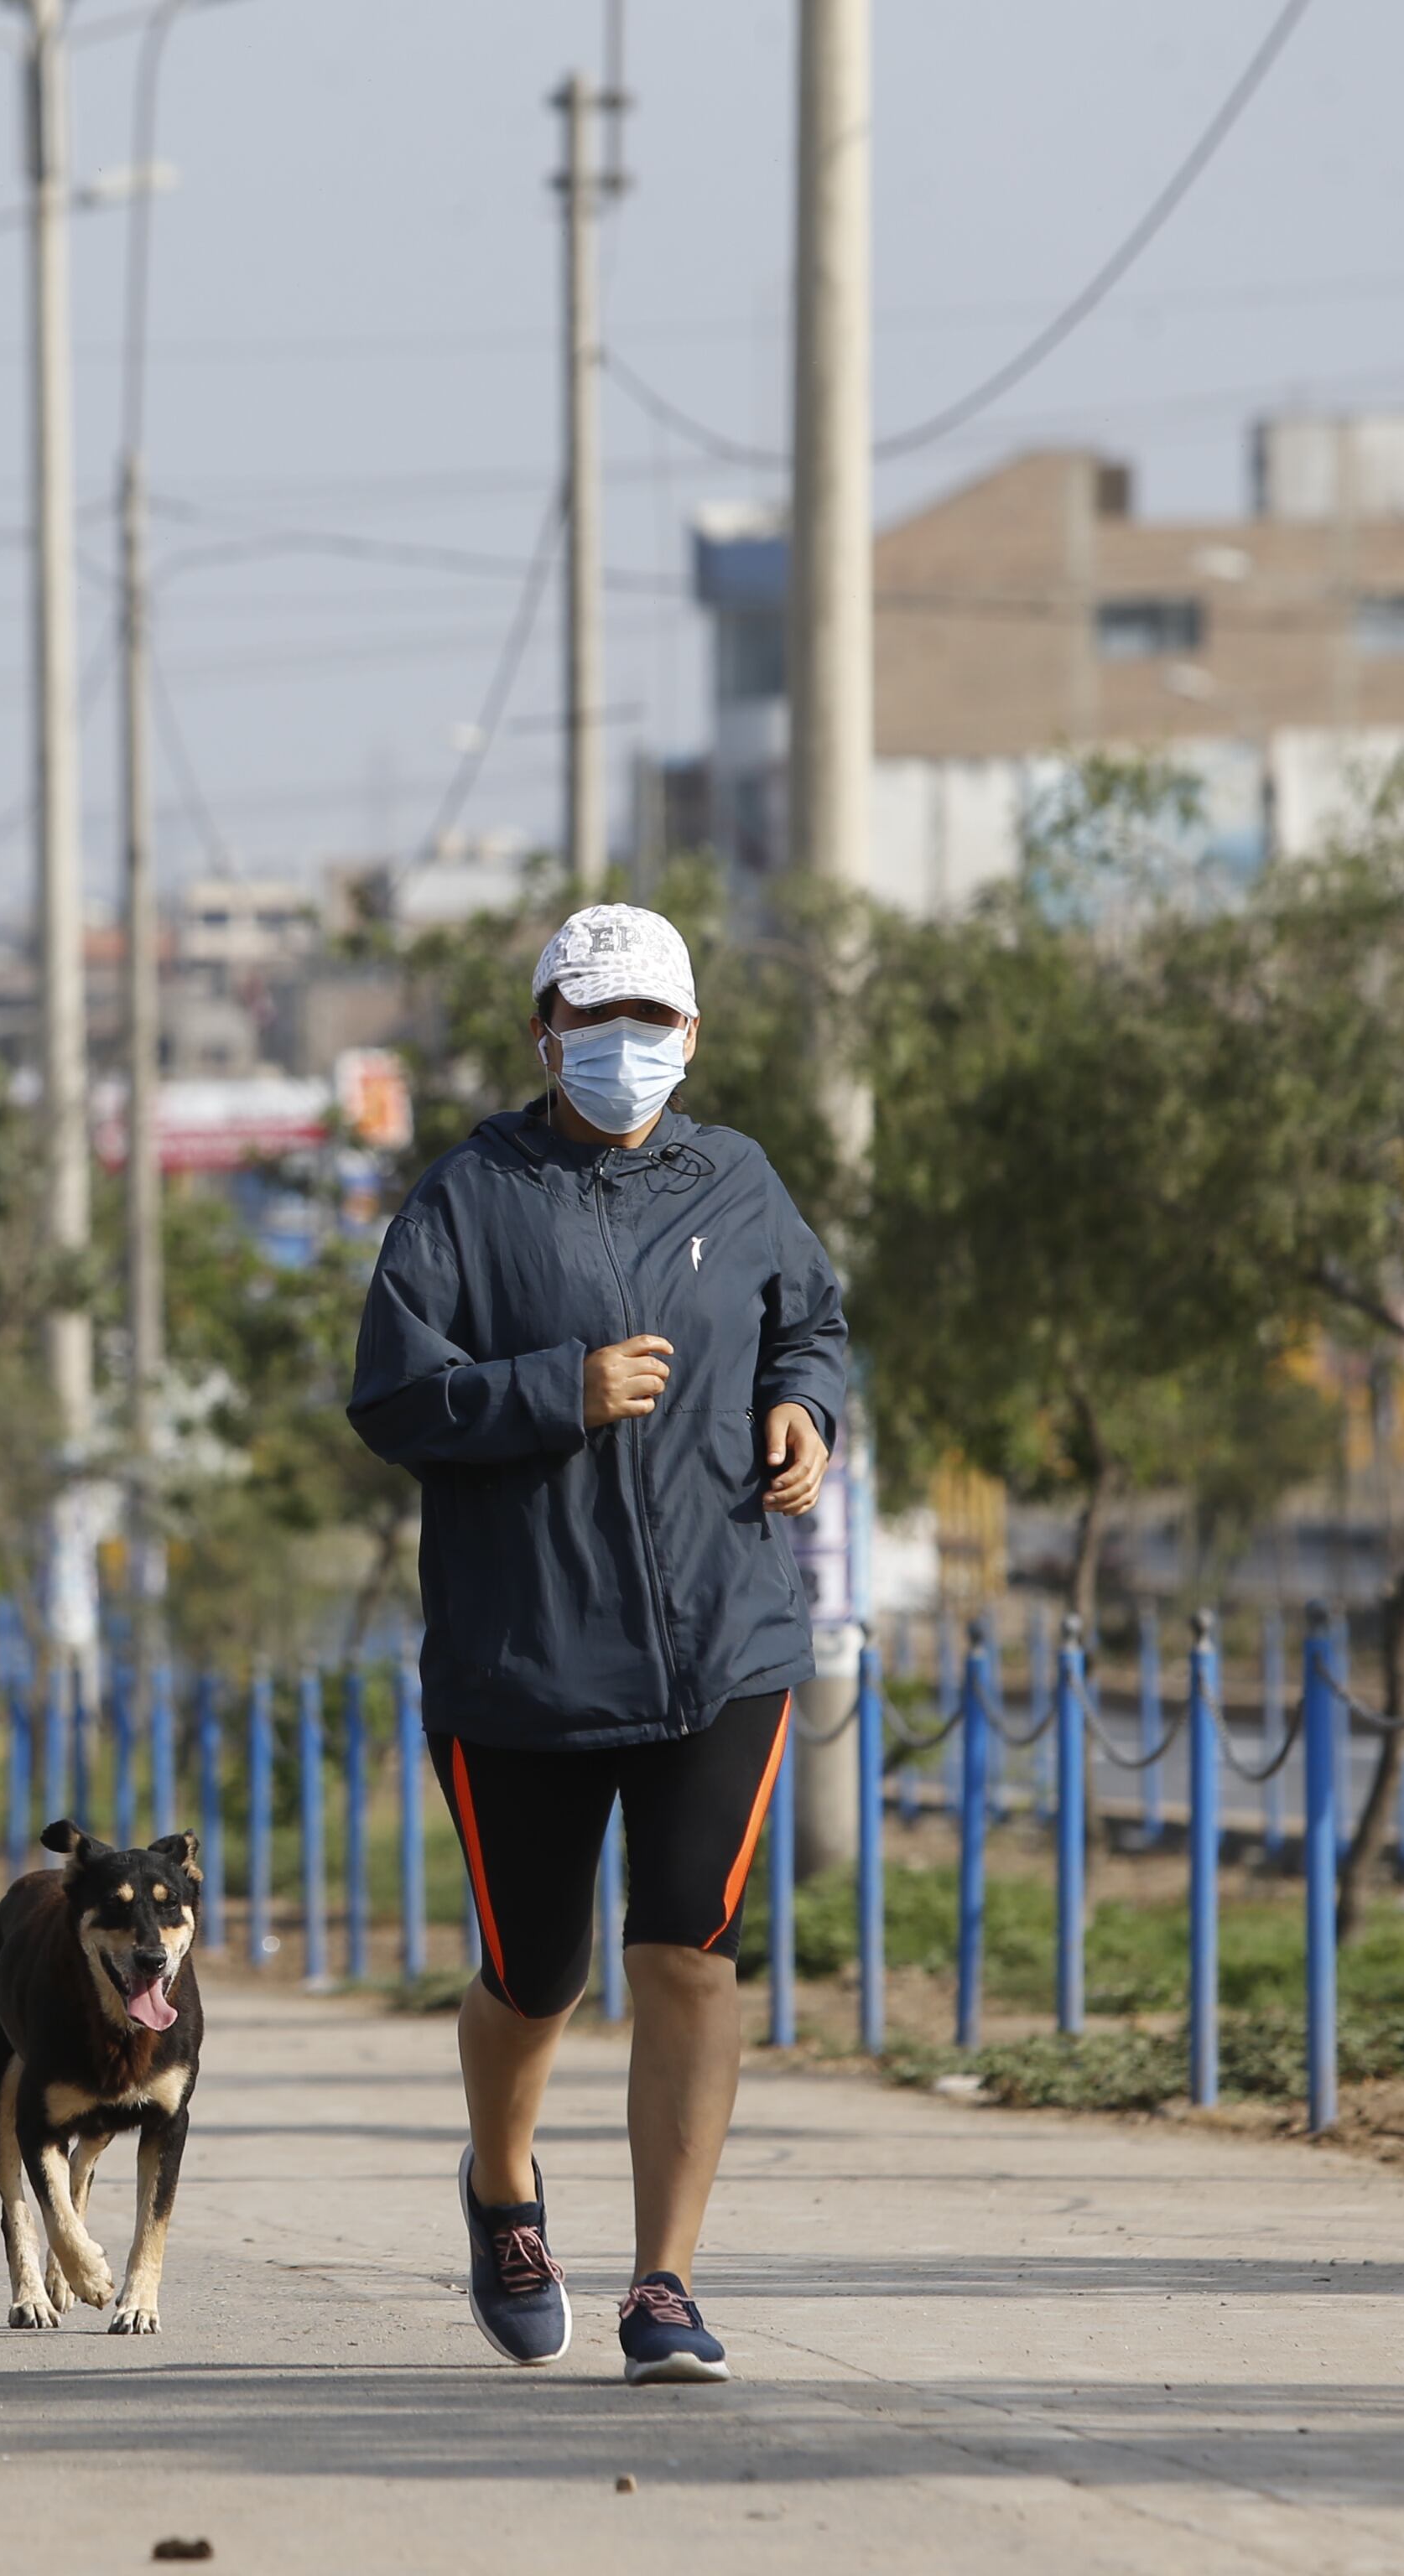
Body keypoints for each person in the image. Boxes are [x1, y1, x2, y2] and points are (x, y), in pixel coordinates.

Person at [346, 902, 845, 2386]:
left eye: (655, 1023)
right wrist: (554, 1389)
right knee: (540, 1968)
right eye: (595, 1016)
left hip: (724, 1641)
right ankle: (503, 2186)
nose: (626, 1047)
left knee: (688, 1949)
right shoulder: (466, 1198)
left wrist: (808, 1409)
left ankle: (665, 2284)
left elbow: (811, 1323)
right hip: (525, 1659)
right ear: (544, 1029)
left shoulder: (740, 1179)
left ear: (691, 1036)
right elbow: (392, 1395)